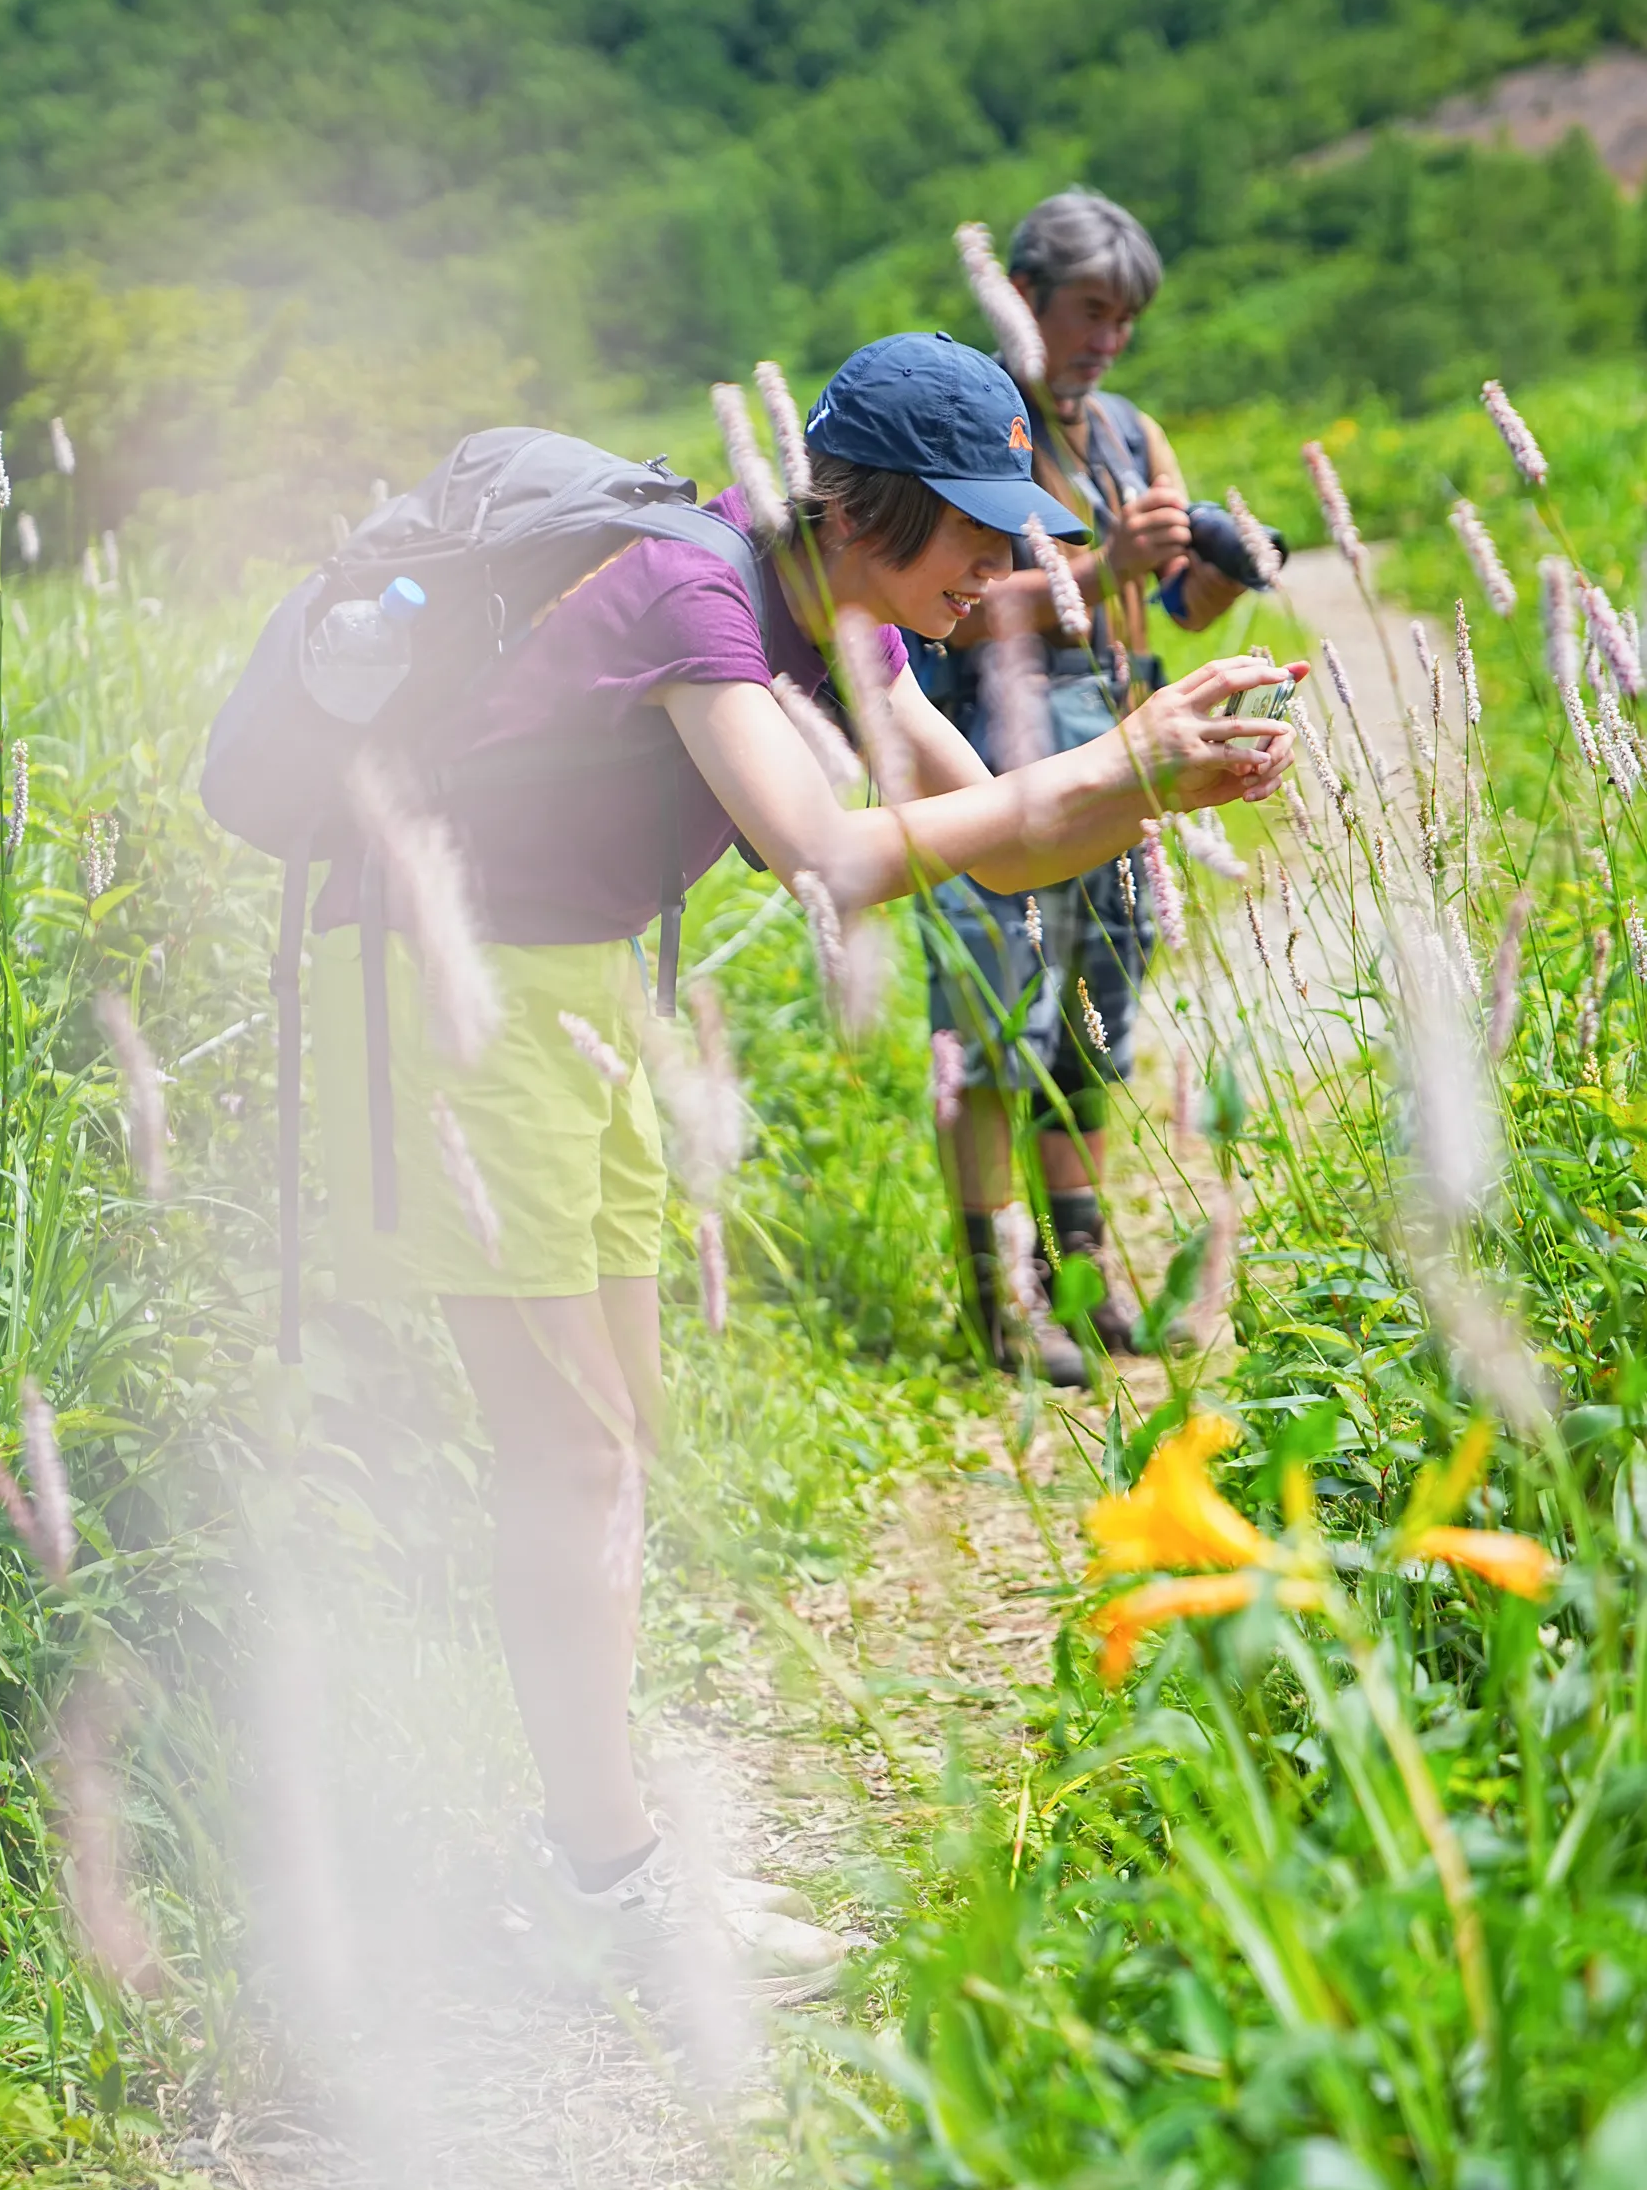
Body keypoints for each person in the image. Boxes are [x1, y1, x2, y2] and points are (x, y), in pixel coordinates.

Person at [308, 333, 1297, 1998]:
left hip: (574, 989)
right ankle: (608, 1889)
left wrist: (1154, 780)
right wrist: (1105, 776)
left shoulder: (844, 623)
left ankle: (600, 1828)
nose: (1004, 568)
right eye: (975, 534)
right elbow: (831, 855)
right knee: (572, 1456)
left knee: (622, 1429)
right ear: (864, 513)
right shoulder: (699, 599)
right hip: (457, 999)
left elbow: (1010, 821)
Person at [914, 188, 1281, 1384]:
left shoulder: (1130, 432)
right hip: (984, 755)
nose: (1107, 339)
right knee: (986, 1031)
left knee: (1093, 1025)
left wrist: (1228, 576)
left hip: (1121, 750)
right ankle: (998, 1298)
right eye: (1089, 311)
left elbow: (1164, 612)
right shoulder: (974, 421)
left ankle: (1079, 1278)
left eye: (1125, 319)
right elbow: (937, 615)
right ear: (1023, 298)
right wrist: (1094, 561)